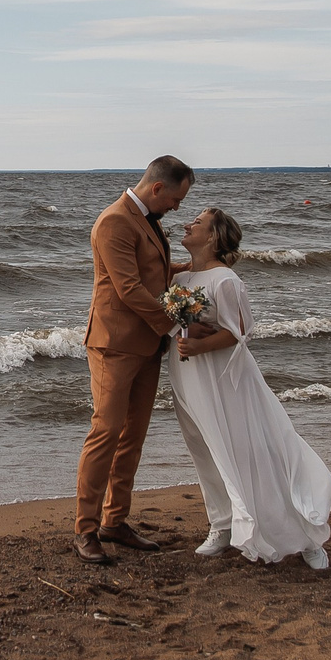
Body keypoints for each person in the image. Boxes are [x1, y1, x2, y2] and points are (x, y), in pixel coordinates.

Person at [168, 206, 331, 568]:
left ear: (212, 237)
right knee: (206, 451)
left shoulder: (225, 280)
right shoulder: (180, 281)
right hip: (189, 376)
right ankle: (222, 525)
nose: (186, 224)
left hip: (225, 377)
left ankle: (305, 533)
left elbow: (239, 332)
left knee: (256, 450)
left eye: (196, 223)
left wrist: (198, 345)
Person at [74, 155, 205, 564]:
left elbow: (154, 273)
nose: (178, 208)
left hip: (148, 345)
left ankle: (115, 522)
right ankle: (85, 529)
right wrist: (177, 324)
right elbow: (129, 289)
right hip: (114, 343)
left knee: (132, 438)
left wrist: (203, 268)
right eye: (177, 199)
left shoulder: (147, 220)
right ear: (158, 188)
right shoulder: (114, 221)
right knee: (106, 432)